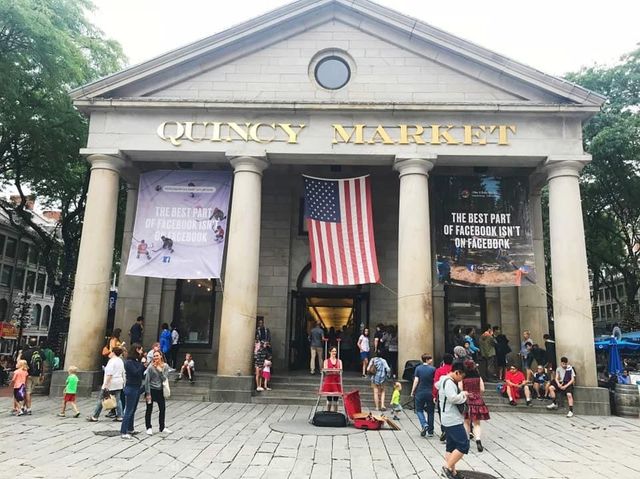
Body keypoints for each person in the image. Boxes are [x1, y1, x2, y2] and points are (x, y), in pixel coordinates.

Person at [437, 361, 469, 479]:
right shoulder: (449, 382)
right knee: (463, 445)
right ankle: (447, 467)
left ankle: (452, 472)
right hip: (452, 418)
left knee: (450, 446)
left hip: (447, 417)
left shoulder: (444, 380)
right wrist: (464, 395)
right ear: (457, 372)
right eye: (461, 376)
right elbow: (453, 398)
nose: (461, 379)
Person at [87, 346, 125, 422]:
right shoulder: (120, 361)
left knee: (102, 399)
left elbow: (109, 374)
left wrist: (106, 385)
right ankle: (120, 416)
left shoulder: (112, 361)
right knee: (118, 400)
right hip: (118, 382)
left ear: (113, 352)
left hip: (111, 383)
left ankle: (95, 416)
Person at [460, 359, 490, 452]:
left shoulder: (463, 378)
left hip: (467, 400)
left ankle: (467, 441)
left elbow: (460, 389)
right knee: (477, 423)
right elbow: (482, 389)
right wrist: (477, 394)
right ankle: (478, 440)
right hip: (477, 400)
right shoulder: (478, 377)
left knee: (466, 422)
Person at [144, 349, 172, 435]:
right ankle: (148, 427)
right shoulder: (150, 367)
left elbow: (165, 378)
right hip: (151, 389)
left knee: (162, 408)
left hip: (160, 390)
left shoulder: (165, 366)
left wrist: (160, 370)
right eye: (154, 356)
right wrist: (148, 393)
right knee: (149, 409)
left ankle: (162, 427)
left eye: (157, 355)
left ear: (161, 356)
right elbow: (147, 380)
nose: (156, 357)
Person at [121, 344, 145, 439]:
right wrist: (142, 365)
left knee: (133, 409)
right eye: (141, 350)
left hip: (136, 387)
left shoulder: (135, 361)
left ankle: (130, 428)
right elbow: (136, 372)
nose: (142, 352)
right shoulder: (129, 362)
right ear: (136, 350)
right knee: (129, 410)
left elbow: (141, 373)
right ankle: (123, 431)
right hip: (131, 388)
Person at [410, 353, 436, 437]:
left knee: (419, 410)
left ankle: (424, 424)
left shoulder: (418, 368)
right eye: (430, 359)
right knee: (431, 412)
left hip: (420, 391)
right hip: (430, 392)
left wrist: (413, 390)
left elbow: (416, 380)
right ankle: (431, 431)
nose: (431, 360)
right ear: (427, 360)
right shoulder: (433, 369)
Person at [18, 341, 44, 415]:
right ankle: (24, 406)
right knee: (29, 392)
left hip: (28, 374)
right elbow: (43, 364)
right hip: (37, 375)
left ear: (29, 344)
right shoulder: (40, 352)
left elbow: (21, 363)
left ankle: (28, 408)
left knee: (27, 392)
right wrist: (42, 374)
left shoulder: (26, 353)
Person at [433, 353, 454, 442]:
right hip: (452, 393)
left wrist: (434, 395)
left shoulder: (439, 370)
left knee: (442, 412)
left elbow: (435, 383)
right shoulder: (454, 370)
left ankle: (444, 429)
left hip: (442, 395)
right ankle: (451, 430)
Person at [320, 346, 343, 412]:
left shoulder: (339, 361)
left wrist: (334, 371)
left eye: (335, 351)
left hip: (336, 381)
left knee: (336, 399)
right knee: (329, 399)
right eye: (333, 351)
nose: (334, 353)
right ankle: (328, 412)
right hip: (329, 382)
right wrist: (334, 371)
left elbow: (340, 371)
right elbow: (326, 371)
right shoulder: (326, 361)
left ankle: (335, 413)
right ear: (329, 352)